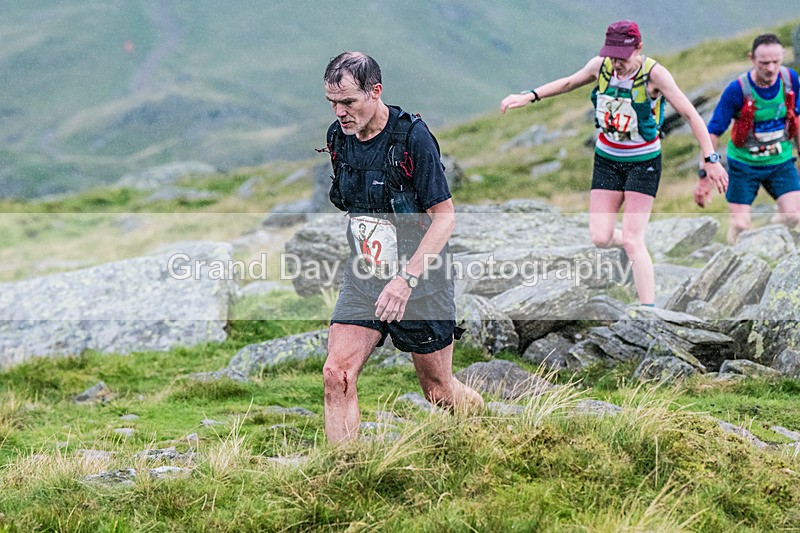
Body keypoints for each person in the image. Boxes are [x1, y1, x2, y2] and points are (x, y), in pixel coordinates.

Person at [501, 20, 727, 306]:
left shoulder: (655, 75)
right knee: (600, 237)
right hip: (607, 160)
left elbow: (692, 116)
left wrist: (711, 160)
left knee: (633, 240)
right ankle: (637, 249)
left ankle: (649, 312)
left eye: (622, 57)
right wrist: (529, 96)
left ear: (639, 48)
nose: (616, 64)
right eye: (612, 56)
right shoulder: (601, 67)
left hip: (643, 163)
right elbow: (569, 82)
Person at [320, 51, 483, 444]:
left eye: (348, 102)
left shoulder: (413, 139)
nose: (339, 113)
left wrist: (405, 279)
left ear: (375, 92)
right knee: (336, 374)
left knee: (438, 392)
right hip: (365, 275)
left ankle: (482, 427)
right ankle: (343, 474)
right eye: (332, 103)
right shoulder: (338, 138)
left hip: (420, 281)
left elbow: (444, 217)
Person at [694, 33, 800, 244]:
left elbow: (796, 118)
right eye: (764, 63)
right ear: (751, 58)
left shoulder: (790, 80)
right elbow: (712, 132)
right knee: (740, 225)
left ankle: (764, 238)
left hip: (780, 161)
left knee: (794, 216)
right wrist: (704, 174)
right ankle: (734, 258)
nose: (770, 69)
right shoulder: (737, 90)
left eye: (776, 62)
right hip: (743, 165)